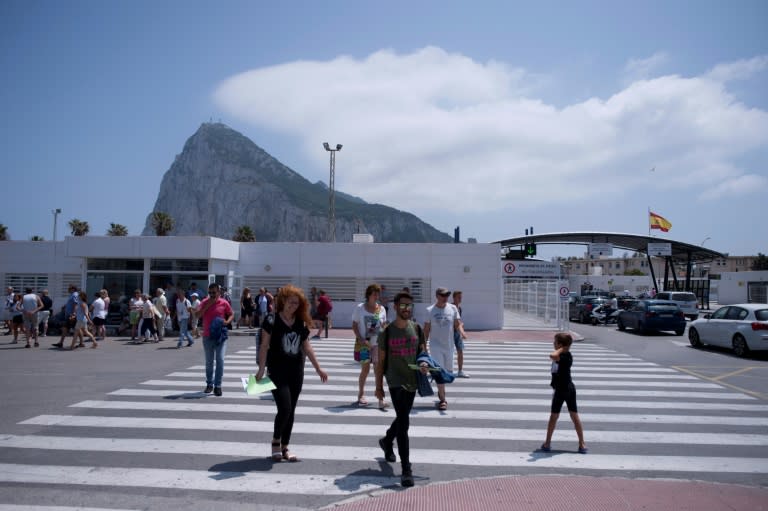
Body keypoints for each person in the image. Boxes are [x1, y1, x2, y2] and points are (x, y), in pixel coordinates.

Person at [256, 285, 328, 462]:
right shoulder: (271, 320)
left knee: (291, 410)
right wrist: (261, 369)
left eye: (297, 303)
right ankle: (275, 442)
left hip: (296, 371)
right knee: (285, 407)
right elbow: (264, 345)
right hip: (276, 371)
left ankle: (285, 447)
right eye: (290, 302)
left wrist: (318, 368)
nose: (293, 306)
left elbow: (307, 346)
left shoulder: (300, 322)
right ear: (283, 301)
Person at [374, 291, 428, 488]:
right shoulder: (386, 332)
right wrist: (378, 386)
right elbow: (380, 362)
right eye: (403, 305)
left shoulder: (417, 328)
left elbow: (423, 352)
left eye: (409, 306)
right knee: (404, 422)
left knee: (402, 416)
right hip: (395, 380)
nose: (407, 309)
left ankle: (387, 440)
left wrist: (423, 363)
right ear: (395, 307)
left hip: (412, 380)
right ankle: (406, 470)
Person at [540, 332, 587, 454]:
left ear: (561, 345)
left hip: (563, 390)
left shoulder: (566, 357)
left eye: (555, 342)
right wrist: (563, 347)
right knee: (569, 416)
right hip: (567, 388)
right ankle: (580, 444)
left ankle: (548, 443)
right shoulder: (566, 355)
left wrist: (561, 349)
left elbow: (552, 355)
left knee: (558, 417)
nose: (553, 344)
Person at [423, 287, 465, 410]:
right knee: (440, 372)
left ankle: (441, 393)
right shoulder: (430, 310)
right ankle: (443, 399)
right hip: (435, 346)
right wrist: (423, 346)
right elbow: (426, 329)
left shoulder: (453, 308)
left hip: (449, 345)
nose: (445, 297)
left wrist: (462, 332)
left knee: (448, 372)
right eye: (443, 295)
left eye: (447, 295)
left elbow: (457, 324)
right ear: (437, 296)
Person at [352, 283, 388, 408]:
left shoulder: (381, 309)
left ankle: (380, 398)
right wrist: (361, 339)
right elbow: (354, 325)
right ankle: (361, 394)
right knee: (365, 370)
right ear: (368, 295)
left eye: (378, 293)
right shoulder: (360, 308)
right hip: (363, 343)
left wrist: (385, 327)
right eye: (374, 293)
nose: (377, 296)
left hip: (377, 344)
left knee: (378, 371)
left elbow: (383, 326)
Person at [198, 283, 234, 396]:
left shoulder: (224, 302)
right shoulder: (204, 302)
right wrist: (208, 305)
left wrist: (228, 322)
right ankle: (209, 384)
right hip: (208, 336)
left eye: (214, 292)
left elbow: (231, 314)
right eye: (210, 293)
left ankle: (218, 385)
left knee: (220, 360)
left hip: (220, 336)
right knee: (209, 362)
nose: (212, 295)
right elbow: (197, 315)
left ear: (219, 292)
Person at [451, 290, 470, 378]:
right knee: (449, 352)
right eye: (459, 297)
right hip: (449, 333)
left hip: (457, 332)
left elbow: (458, 321)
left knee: (460, 351)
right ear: (454, 297)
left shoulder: (460, 308)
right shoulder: (450, 307)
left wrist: (461, 325)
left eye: (461, 297)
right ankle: (447, 370)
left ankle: (460, 371)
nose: (460, 299)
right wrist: (461, 329)